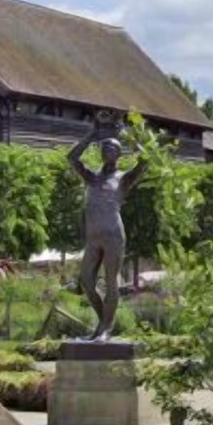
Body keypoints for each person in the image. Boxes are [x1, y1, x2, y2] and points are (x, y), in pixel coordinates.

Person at [68, 122, 149, 342]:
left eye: (112, 149)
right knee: (86, 282)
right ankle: (103, 323)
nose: (108, 152)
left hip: (113, 234)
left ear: (119, 154)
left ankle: (104, 329)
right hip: (93, 238)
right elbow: (72, 158)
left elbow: (145, 161)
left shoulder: (123, 178)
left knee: (111, 281)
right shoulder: (91, 177)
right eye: (104, 149)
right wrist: (91, 136)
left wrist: (129, 137)